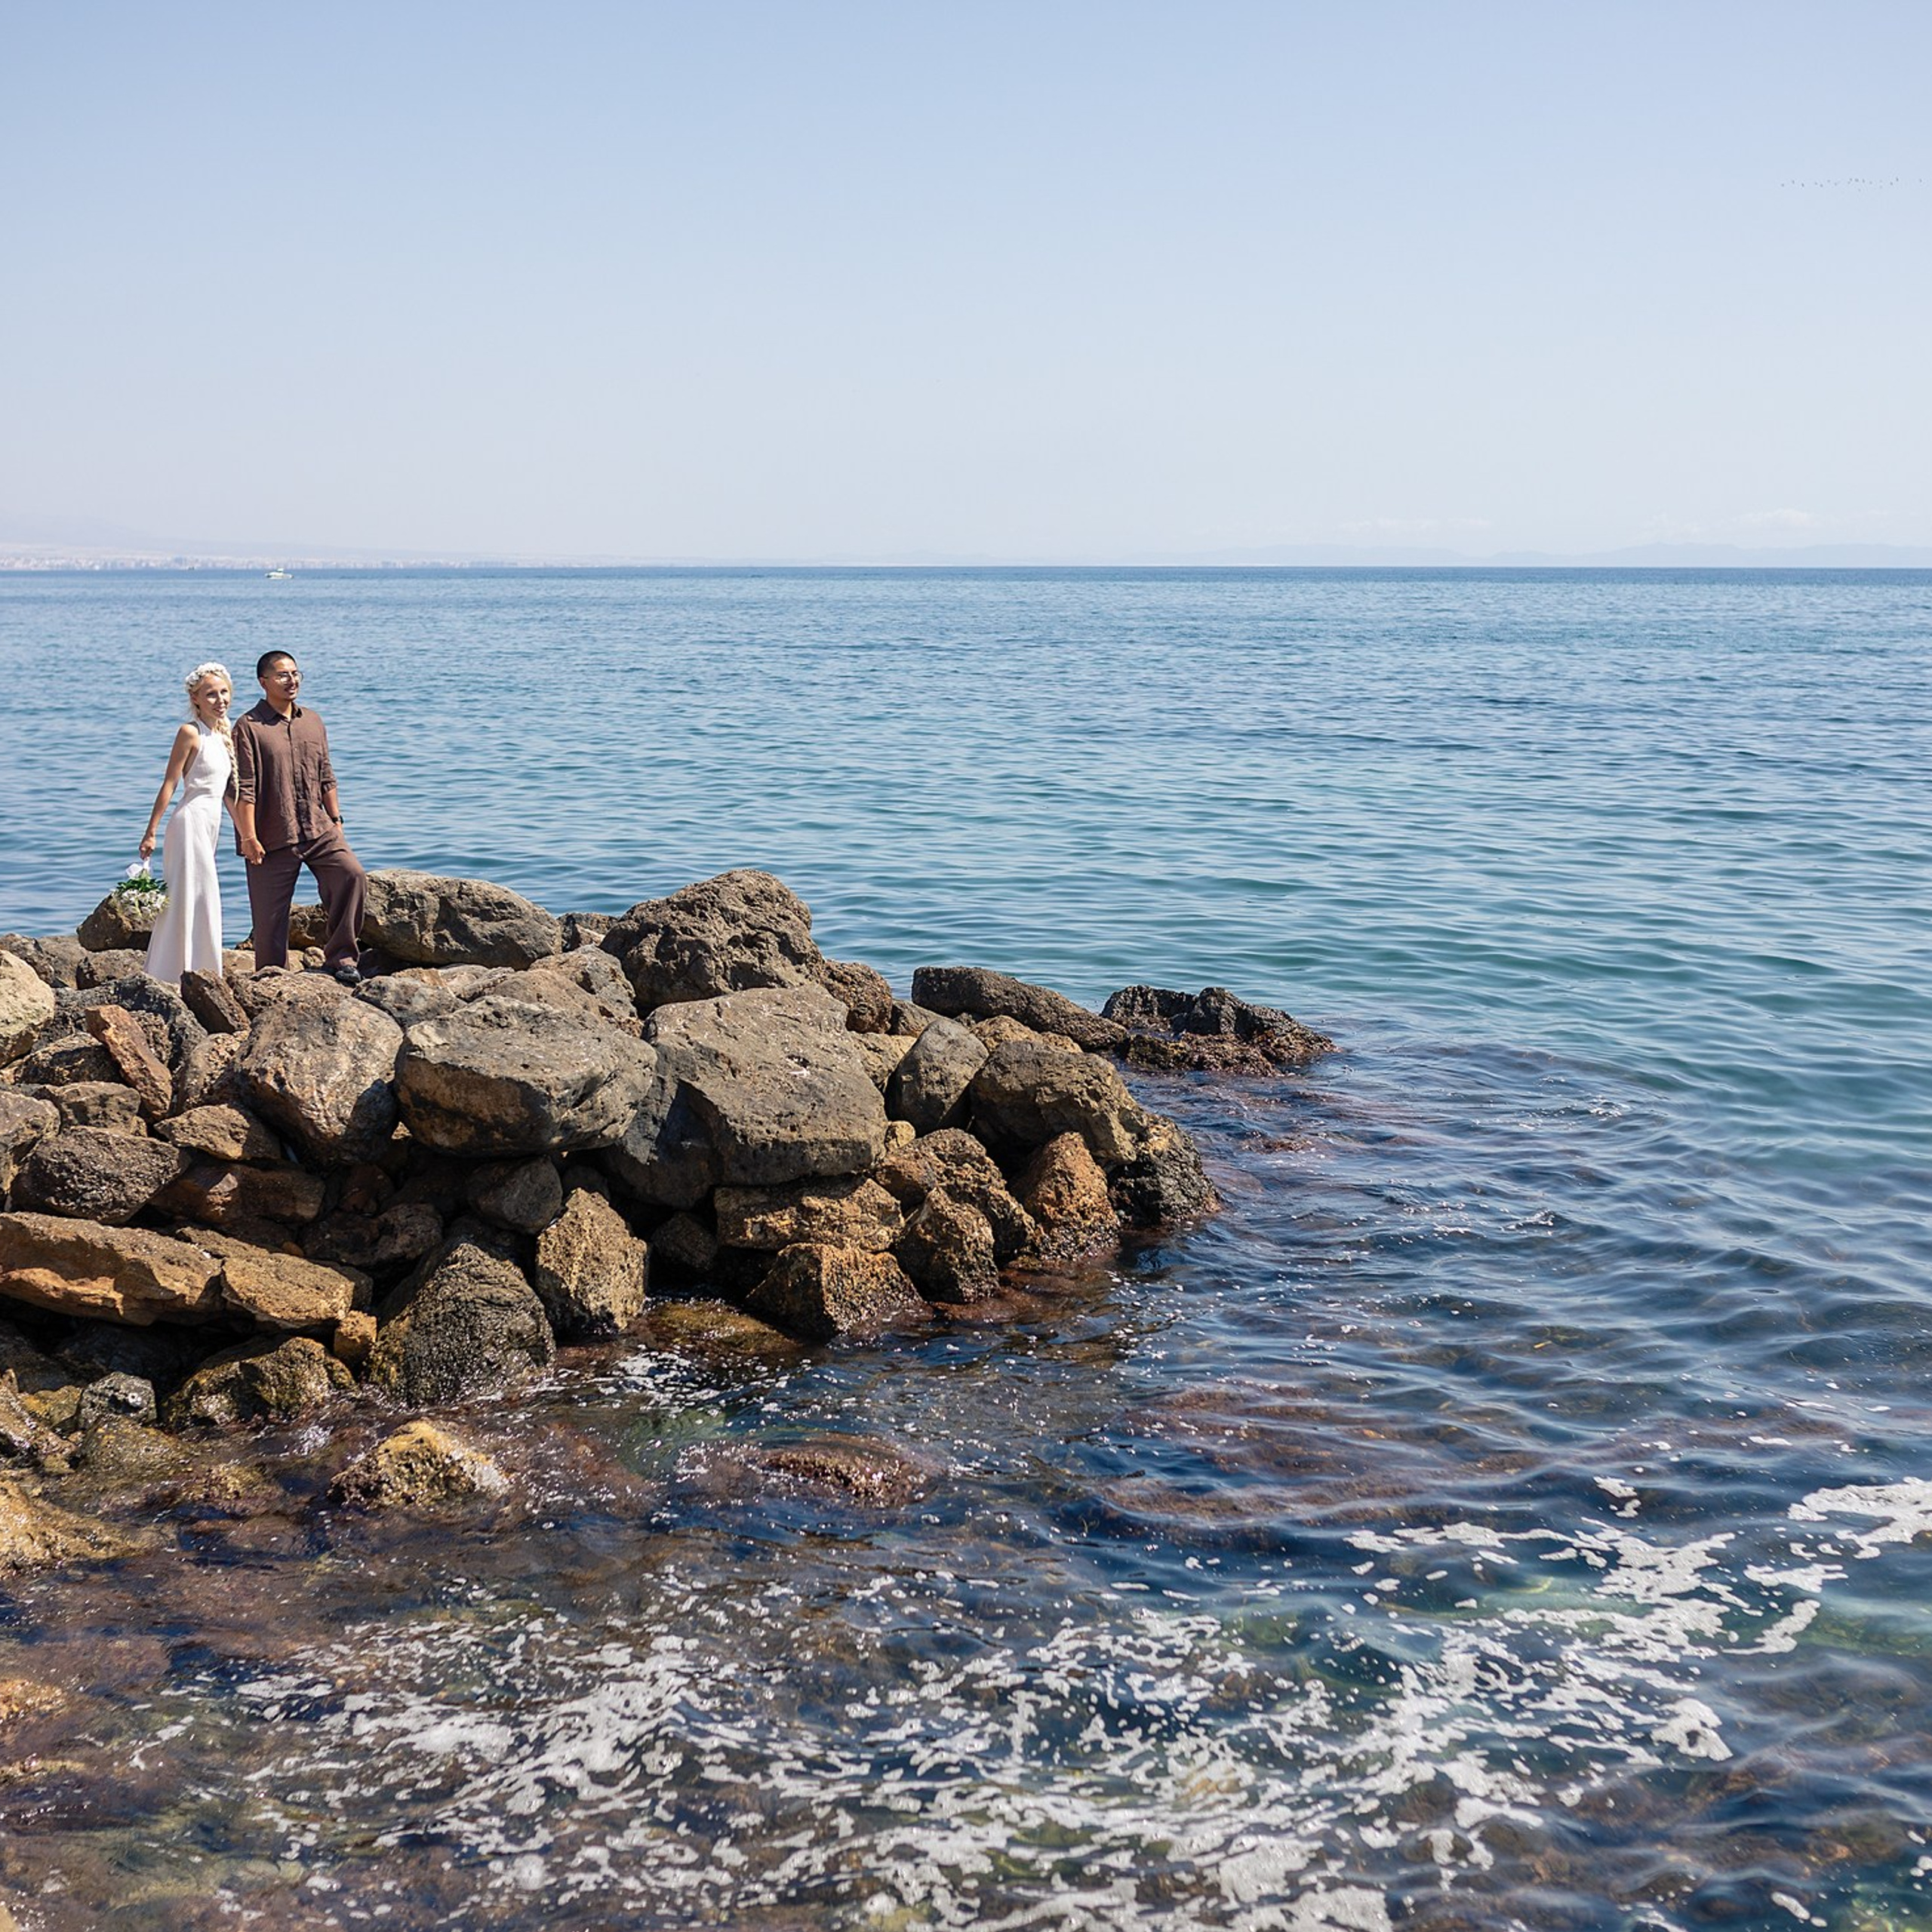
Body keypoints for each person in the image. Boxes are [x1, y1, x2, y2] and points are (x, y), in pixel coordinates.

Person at [231, 651, 368, 984]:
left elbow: (326, 775)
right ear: (264, 682)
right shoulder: (248, 728)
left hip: (319, 828)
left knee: (352, 876)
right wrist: (249, 838)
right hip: (271, 835)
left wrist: (336, 820)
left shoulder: (313, 721)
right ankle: (272, 977)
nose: (291, 680)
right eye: (282, 675)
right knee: (270, 918)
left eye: (295, 674)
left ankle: (342, 959)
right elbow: (242, 788)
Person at [140, 662, 240, 986]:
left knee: (201, 894)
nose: (219, 699)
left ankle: (200, 969)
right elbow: (170, 784)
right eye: (211, 694)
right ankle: (172, 973)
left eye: (224, 692)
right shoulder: (190, 732)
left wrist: (247, 833)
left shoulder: (224, 733)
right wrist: (151, 831)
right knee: (188, 895)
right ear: (195, 699)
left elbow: (228, 794)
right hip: (189, 822)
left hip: (211, 824)